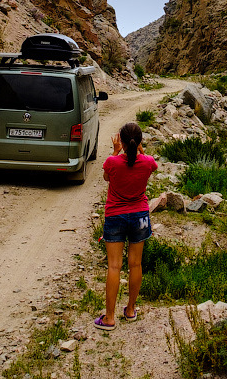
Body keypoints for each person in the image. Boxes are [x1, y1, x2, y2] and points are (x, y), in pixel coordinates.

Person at [95, 122, 158, 330]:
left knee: (114, 266)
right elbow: (150, 166)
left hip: (116, 215)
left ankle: (109, 317)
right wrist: (140, 150)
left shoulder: (112, 162)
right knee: (135, 264)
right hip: (139, 214)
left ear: (120, 141)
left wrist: (115, 152)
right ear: (139, 142)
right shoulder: (148, 162)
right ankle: (130, 309)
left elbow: (107, 177)